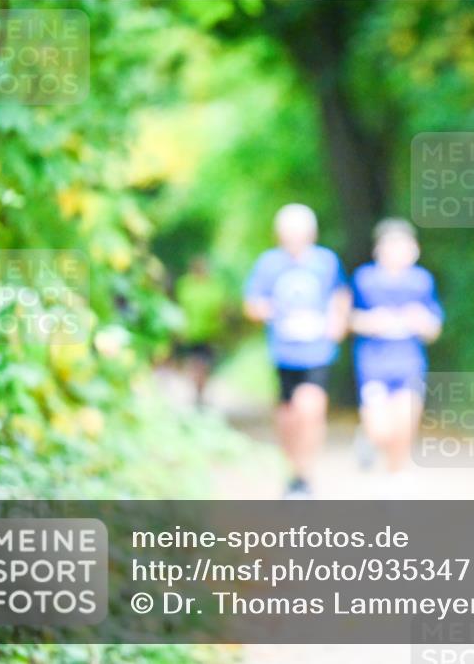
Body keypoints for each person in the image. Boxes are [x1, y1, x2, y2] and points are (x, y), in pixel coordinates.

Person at [244, 204, 351, 499]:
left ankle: (305, 474)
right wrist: (272, 311)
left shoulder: (326, 262)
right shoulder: (269, 263)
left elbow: (341, 294)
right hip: (284, 352)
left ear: (311, 233)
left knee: (311, 408)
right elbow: (252, 303)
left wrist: (337, 322)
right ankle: (293, 471)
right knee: (289, 417)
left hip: (317, 352)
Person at [350, 219, 442, 495]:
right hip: (373, 363)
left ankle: (396, 474)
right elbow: (348, 318)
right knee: (381, 430)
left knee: (405, 420)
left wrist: (420, 321)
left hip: (409, 361)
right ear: (379, 250)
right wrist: (371, 321)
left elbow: (434, 327)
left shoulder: (421, 281)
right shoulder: (365, 279)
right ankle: (368, 438)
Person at [174, 256, 227, 408]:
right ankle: (196, 391)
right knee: (195, 363)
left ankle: (201, 392)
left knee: (205, 364)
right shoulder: (185, 285)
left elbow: (220, 309)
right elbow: (180, 308)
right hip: (190, 333)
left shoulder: (214, 286)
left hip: (209, 333)